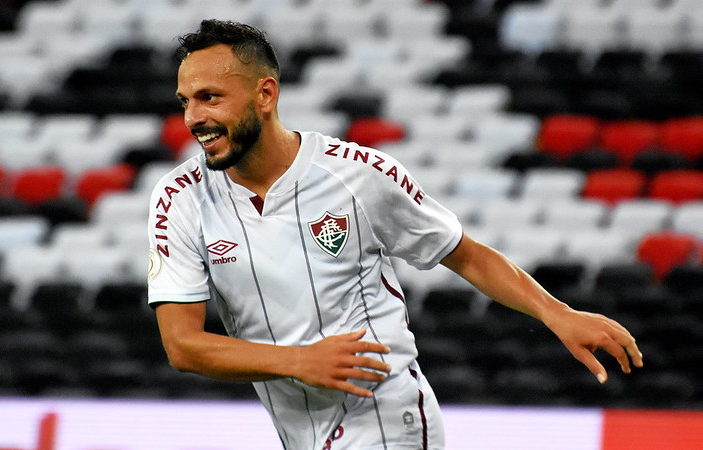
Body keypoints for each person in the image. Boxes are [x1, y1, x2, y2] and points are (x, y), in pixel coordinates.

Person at [147, 19, 643, 449]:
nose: (194, 118)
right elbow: (184, 345)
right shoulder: (179, 199)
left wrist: (558, 314)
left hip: (385, 415)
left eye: (209, 98)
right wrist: (300, 361)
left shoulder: (357, 174)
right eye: (185, 101)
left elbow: (464, 254)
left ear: (266, 93)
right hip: (301, 430)